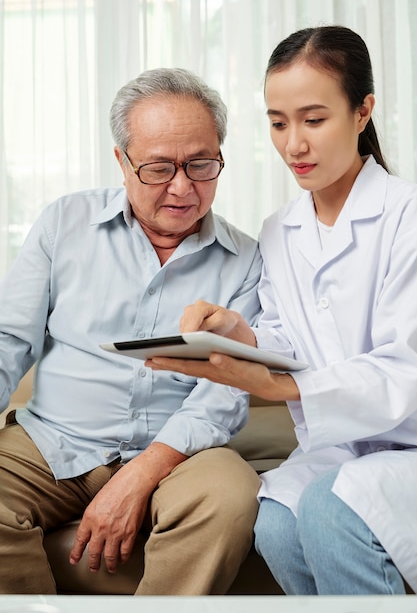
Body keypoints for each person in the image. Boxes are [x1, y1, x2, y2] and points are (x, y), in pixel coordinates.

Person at [145, 27, 417, 595]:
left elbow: (404, 371)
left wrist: (282, 389)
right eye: (278, 122)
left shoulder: (407, 217)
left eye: (313, 120)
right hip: (343, 448)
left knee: (327, 506)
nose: (294, 144)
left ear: (362, 112)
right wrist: (236, 333)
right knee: (276, 520)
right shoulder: (281, 231)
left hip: (409, 447)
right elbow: (287, 339)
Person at [0, 68, 262, 595]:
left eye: (202, 164)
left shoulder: (248, 260)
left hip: (179, 455)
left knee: (230, 497)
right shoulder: (63, 225)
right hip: (53, 441)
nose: (184, 187)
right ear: (122, 161)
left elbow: (223, 395)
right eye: (160, 167)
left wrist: (140, 474)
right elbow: (9, 341)